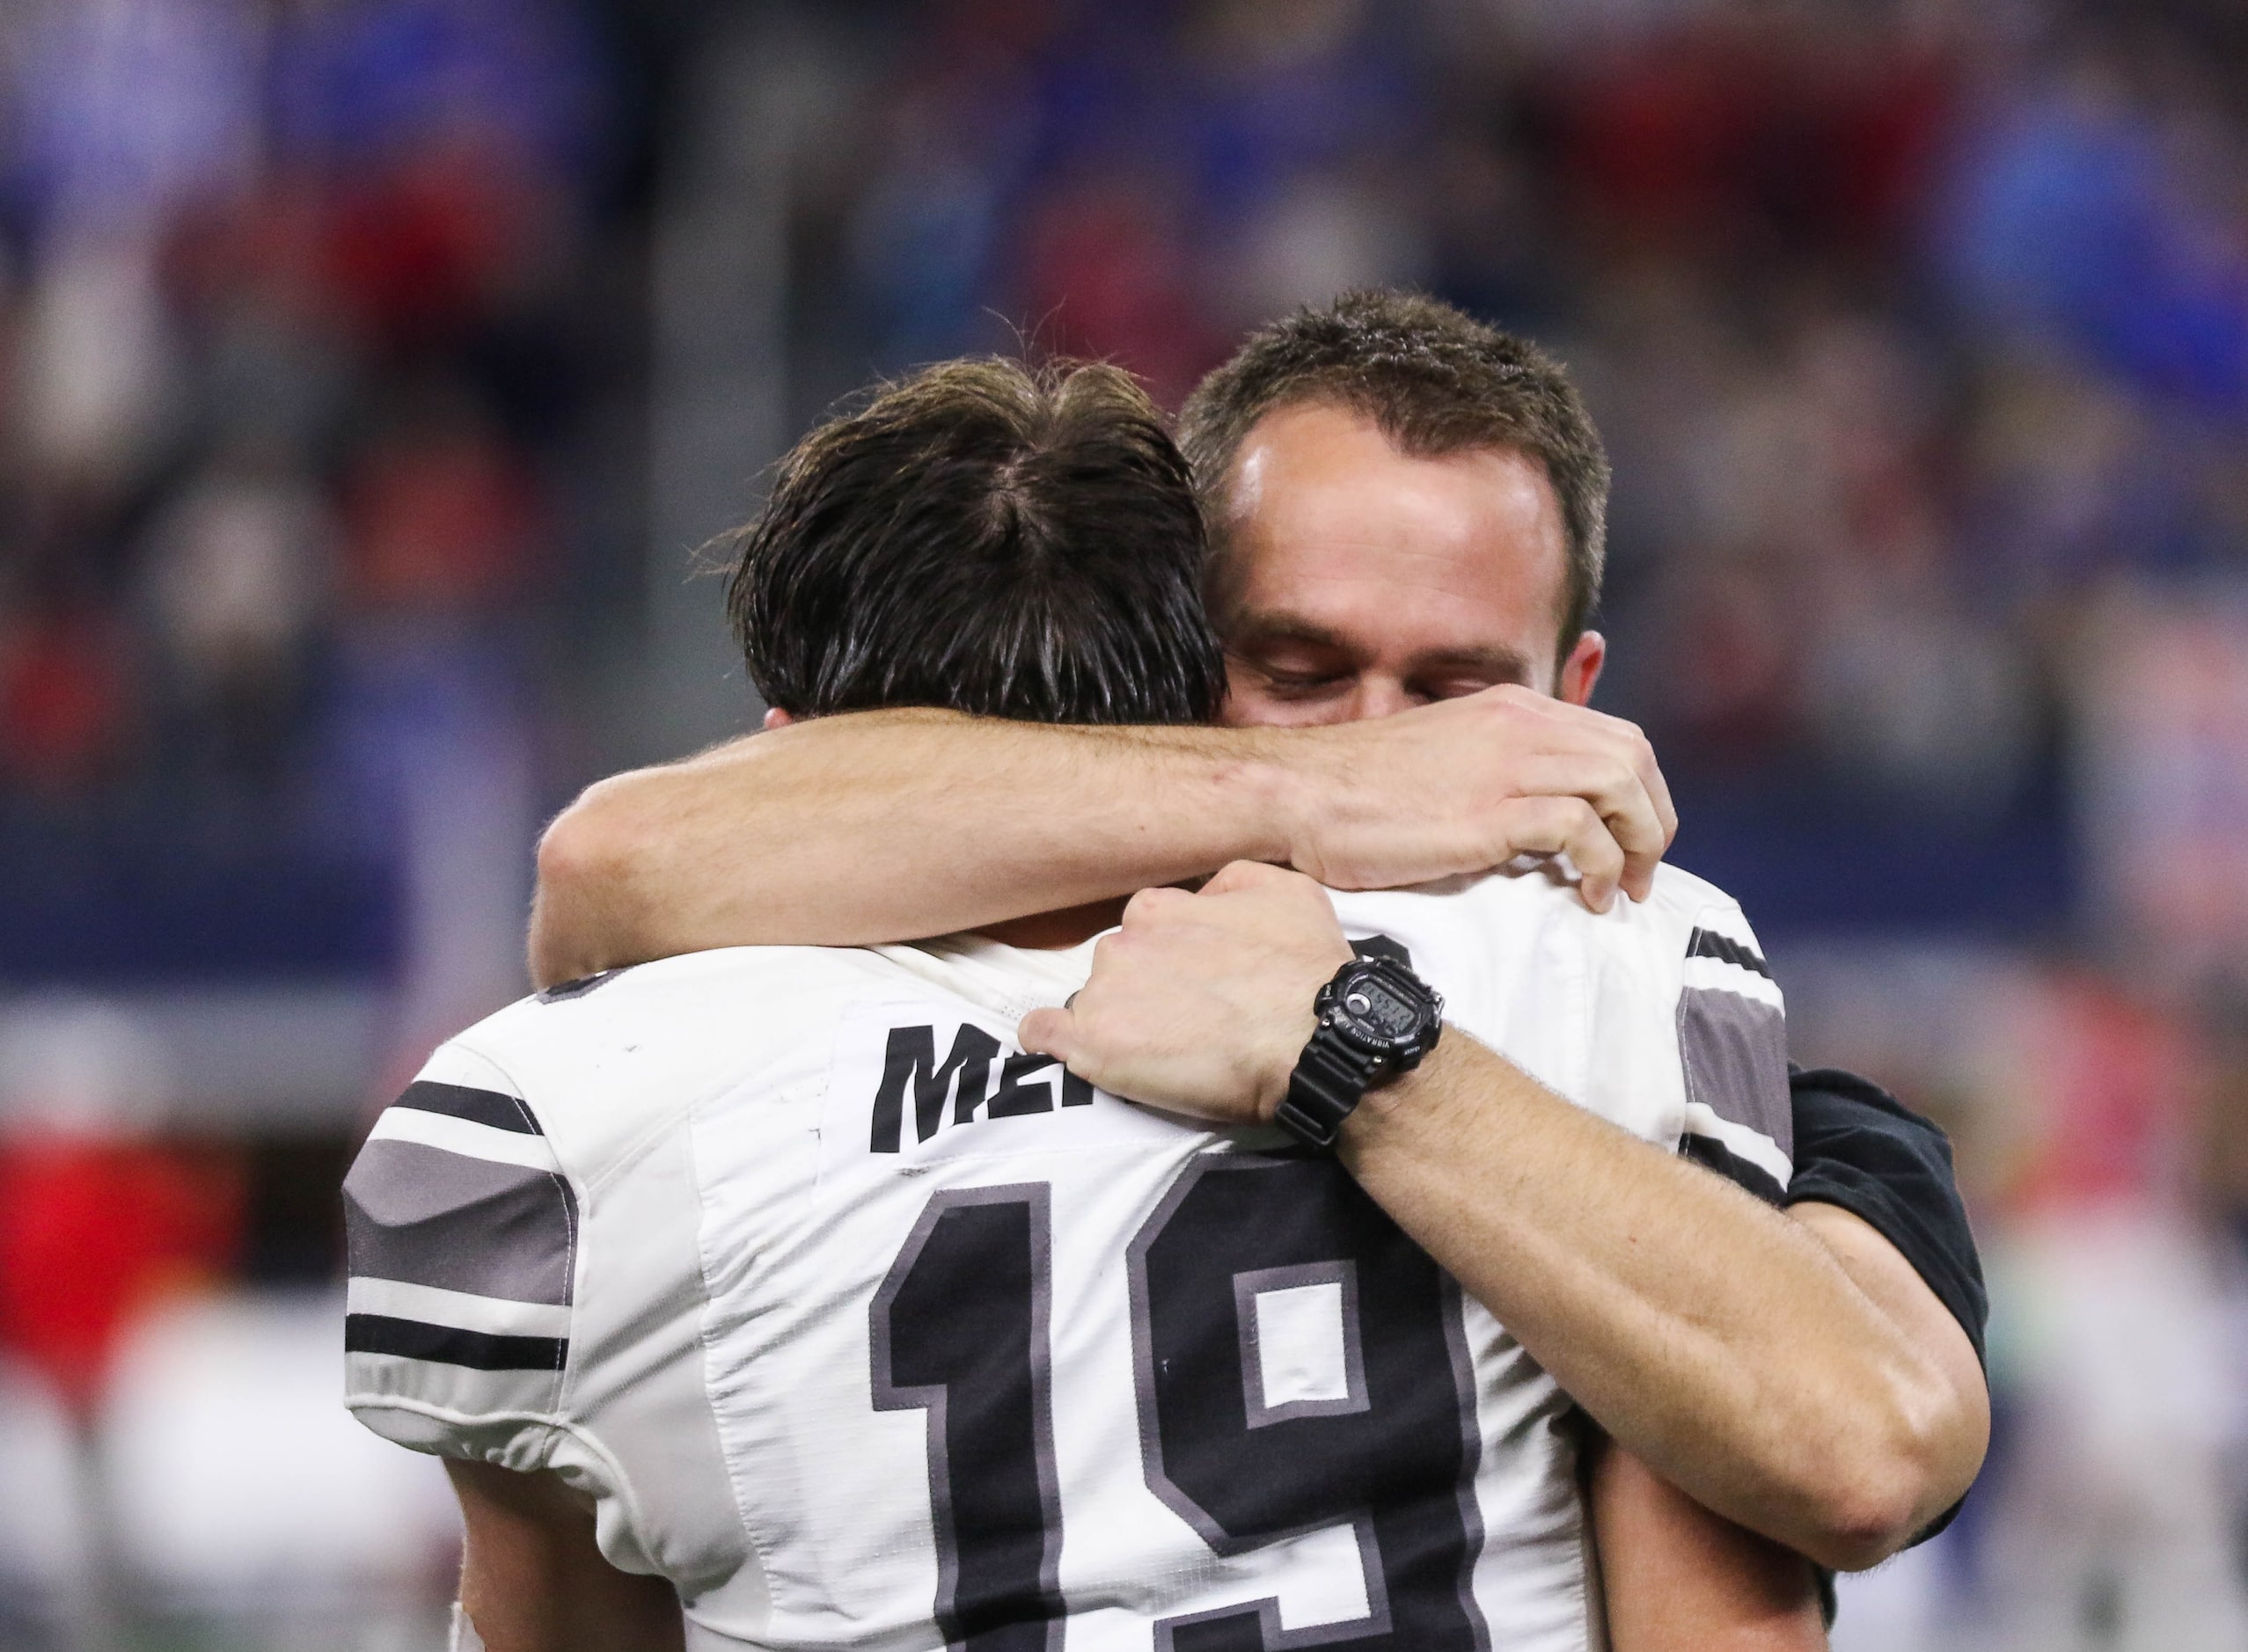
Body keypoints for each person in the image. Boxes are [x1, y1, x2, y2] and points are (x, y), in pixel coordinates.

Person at [344, 356, 1824, 1648]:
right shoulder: (1598, 948)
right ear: (1181, 703)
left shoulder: (543, 1109)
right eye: (1307, 672)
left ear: (781, 746)